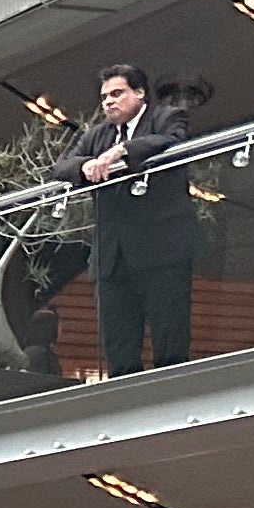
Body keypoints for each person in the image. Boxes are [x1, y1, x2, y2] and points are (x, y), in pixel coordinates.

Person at [72, 62, 197, 374]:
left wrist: (122, 151)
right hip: (113, 256)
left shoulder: (165, 117)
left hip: (161, 250)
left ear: (140, 93)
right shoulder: (97, 136)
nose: (109, 102)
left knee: (169, 341)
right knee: (119, 347)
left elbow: (175, 142)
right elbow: (61, 167)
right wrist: (85, 165)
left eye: (117, 93)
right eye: (104, 97)